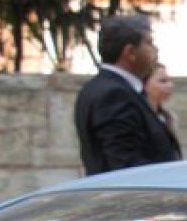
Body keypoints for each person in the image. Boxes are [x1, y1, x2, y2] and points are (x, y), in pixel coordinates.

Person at [74, 14, 181, 175]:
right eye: (149, 43)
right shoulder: (114, 94)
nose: (155, 50)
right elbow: (126, 165)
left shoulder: (100, 87)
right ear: (130, 52)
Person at [144, 63, 178, 136]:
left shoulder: (168, 117)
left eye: (170, 80)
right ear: (144, 84)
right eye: (163, 81)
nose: (170, 85)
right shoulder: (136, 115)